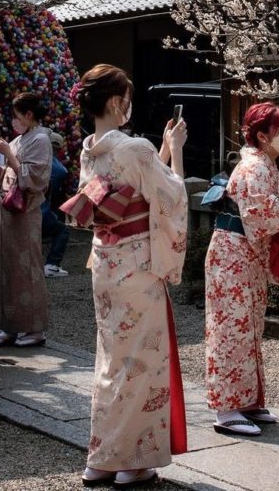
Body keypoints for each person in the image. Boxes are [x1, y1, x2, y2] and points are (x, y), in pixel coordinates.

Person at [61, 64, 188, 490]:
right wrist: (176, 148)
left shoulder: (89, 150)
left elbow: (139, 185)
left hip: (106, 263)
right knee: (142, 364)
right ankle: (132, 462)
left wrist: (162, 149)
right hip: (137, 266)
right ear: (118, 103)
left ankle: (101, 459)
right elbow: (172, 195)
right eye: (127, 98)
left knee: (113, 361)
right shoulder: (135, 148)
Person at [204, 102, 279, 437]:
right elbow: (261, 219)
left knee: (247, 327)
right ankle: (226, 409)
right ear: (263, 136)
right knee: (230, 329)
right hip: (233, 252)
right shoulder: (254, 168)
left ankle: (246, 400)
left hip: (243, 253)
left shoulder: (264, 164)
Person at [0, 92, 53, 349]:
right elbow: (10, 175)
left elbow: (33, 179)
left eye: (16, 116)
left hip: (25, 213)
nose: (13, 122)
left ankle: (34, 329)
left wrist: (8, 154)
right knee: (8, 269)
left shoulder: (41, 139)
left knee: (27, 268)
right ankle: (8, 327)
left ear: (29, 115)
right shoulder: (21, 139)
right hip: (9, 213)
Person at [41, 130, 71, 277]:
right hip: (41, 210)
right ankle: (52, 265)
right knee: (62, 230)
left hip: (20, 209)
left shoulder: (28, 156)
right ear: (58, 149)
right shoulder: (59, 169)